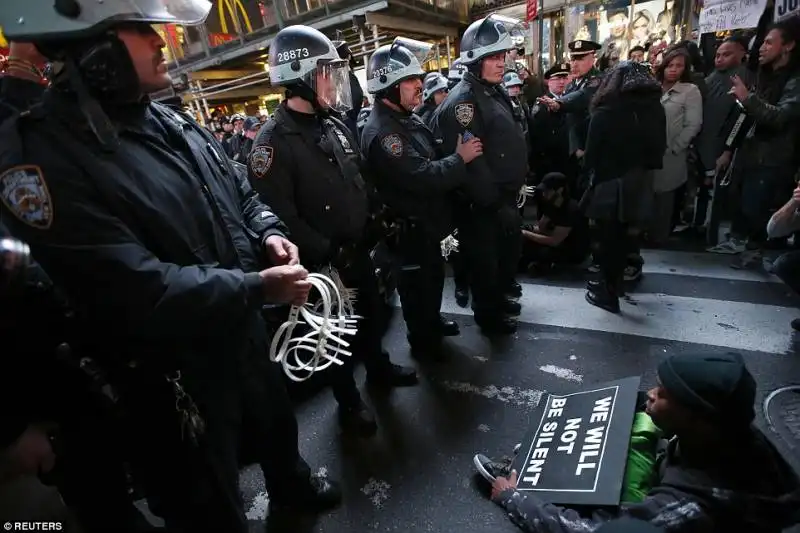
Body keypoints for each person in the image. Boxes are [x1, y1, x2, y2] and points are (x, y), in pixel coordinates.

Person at [0, 2, 339, 530]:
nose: (162, 40)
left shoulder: (165, 116)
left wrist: (269, 233)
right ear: (96, 52)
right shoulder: (44, 158)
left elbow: (239, 193)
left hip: (240, 326)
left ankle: (289, 483)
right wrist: (258, 288)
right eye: (141, 28)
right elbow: (137, 289)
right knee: (205, 497)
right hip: (173, 375)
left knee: (274, 420)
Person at [247, 24, 418, 437]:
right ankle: (350, 402)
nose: (335, 82)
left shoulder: (334, 125)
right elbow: (279, 216)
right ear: (302, 77)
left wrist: (376, 217)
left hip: (357, 251)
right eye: (327, 72)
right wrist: (324, 249)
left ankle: (378, 368)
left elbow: (357, 177)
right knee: (334, 339)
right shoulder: (272, 144)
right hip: (324, 266)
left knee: (371, 317)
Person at [476, 353, 800, 533]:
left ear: (698, 418)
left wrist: (514, 499)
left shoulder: (688, 507)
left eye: (664, 394)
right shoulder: (729, 430)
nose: (652, 394)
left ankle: (525, 480)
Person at [361, 37, 482, 360]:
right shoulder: (385, 133)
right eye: (411, 80)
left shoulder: (404, 117)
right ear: (388, 87)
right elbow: (422, 176)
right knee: (416, 287)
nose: (420, 85)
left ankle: (432, 320)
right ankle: (423, 341)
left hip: (426, 225)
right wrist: (460, 158)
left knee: (430, 281)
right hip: (409, 231)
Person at [432, 14, 529, 335]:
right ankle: (489, 317)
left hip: (502, 199)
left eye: (503, 56)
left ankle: (499, 301)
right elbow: (472, 163)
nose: (501, 64)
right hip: (484, 205)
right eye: (493, 58)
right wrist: (493, 202)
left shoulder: (491, 90)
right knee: (485, 264)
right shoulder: (464, 103)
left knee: (503, 259)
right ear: (474, 62)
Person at [582, 61, 665, 312]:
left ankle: (608, 293)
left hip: (610, 182)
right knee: (628, 239)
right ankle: (616, 284)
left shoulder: (605, 111)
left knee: (608, 240)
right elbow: (659, 150)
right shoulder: (655, 110)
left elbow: (591, 156)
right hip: (640, 181)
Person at [538, 39, 603, 197]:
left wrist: (559, 103)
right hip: (572, 150)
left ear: (592, 58)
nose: (574, 63)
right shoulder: (574, 83)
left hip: (588, 150)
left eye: (580, 58)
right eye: (573, 58)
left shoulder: (598, 80)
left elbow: (583, 97)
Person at [520, 172, 590, 275]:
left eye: (548, 191)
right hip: (556, 239)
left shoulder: (570, 209)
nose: (544, 194)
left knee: (541, 251)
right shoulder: (552, 204)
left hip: (573, 250)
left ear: (560, 190)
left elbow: (554, 241)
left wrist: (526, 233)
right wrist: (525, 229)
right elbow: (541, 228)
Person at [529, 62, 572, 186]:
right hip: (548, 162)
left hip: (566, 159)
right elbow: (538, 137)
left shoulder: (569, 100)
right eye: (558, 78)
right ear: (549, 82)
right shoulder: (542, 104)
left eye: (564, 78)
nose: (562, 82)